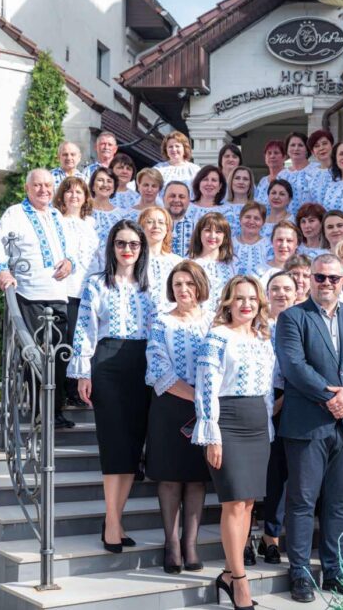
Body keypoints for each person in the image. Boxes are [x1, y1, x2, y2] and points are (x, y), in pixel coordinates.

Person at [274, 253, 343, 602]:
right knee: (302, 501)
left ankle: (335, 570)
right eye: (320, 277)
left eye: (333, 278)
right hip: (308, 425)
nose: (326, 284)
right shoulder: (293, 317)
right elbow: (293, 365)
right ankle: (301, 572)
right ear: (310, 279)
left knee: (340, 503)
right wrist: (329, 397)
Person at [69, 219, 154, 552]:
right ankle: (113, 524)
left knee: (133, 445)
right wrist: (83, 372)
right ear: (112, 247)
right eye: (121, 243)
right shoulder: (96, 283)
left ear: (141, 249)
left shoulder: (150, 285)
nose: (127, 250)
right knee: (113, 443)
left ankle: (114, 520)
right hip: (107, 363)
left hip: (141, 365)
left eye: (133, 244)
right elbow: (85, 329)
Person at [194, 275, 276, 610]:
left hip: (257, 422)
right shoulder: (217, 336)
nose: (246, 304)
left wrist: (268, 425)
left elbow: (268, 389)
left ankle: (229, 573)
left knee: (248, 503)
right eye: (240, 298)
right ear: (228, 302)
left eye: (252, 299)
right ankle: (240, 582)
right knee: (233, 503)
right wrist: (211, 434)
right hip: (227, 420)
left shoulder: (263, 338)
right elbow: (206, 387)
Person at [0, 168, 76, 429]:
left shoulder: (57, 215)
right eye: (37, 185)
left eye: (48, 185)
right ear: (28, 188)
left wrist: (70, 261)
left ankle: (54, 411)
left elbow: (70, 247)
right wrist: (3, 270)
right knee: (34, 355)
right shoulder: (15, 213)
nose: (43, 190)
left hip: (58, 295)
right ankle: (39, 412)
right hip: (29, 294)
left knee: (58, 356)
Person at [145, 260, 212, 573]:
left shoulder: (214, 321)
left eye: (189, 283)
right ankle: (171, 544)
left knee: (197, 478)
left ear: (200, 286)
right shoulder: (161, 321)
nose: (183, 289)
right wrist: (195, 396)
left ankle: (191, 544)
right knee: (170, 478)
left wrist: (205, 400)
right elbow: (158, 366)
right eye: (177, 284)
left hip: (206, 409)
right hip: (170, 406)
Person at [257, 270, 298, 565]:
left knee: (278, 473)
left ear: (296, 294)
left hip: (288, 401)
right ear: (267, 293)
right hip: (254, 400)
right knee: (250, 472)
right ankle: (244, 538)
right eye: (275, 288)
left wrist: (280, 403)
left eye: (287, 289)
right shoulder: (255, 324)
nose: (281, 294)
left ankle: (270, 536)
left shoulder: (300, 324)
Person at [54, 176, 100, 408]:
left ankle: (77, 391)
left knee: (81, 341)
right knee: (66, 342)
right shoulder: (56, 221)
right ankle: (62, 393)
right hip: (67, 289)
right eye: (69, 191)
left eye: (79, 192)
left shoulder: (90, 224)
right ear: (62, 196)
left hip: (87, 290)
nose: (74, 196)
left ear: (85, 198)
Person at [190, 212, 237, 312]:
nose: (212, 236)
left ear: (225, 236)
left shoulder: (234, 264)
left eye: (218, 232)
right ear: (199, 233)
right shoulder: (190, 264)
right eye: (207, 230)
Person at [139, 206, 182, 312]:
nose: (156, 226)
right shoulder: (133, 260)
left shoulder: (177, 262)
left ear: (167, 229)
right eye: (150, 222)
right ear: (141, 228)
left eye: (161, 222)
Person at [254, 221, 301, 289]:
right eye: (280, 240)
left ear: (297, 244)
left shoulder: (303, 273)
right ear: (272, 242)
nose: (284, 245)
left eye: (289, 240)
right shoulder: (258, 272)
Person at [89, 167, 127, 245]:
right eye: (100, 180)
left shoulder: (121, 215)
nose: (105, 184)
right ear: (92, 186)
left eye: (109, 181)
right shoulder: (83, 210)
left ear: (114, 188)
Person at [164, 181, 203, 258]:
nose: (176, 200)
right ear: (163, 198)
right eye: (172, 196)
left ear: (188, 201)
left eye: (181, 197)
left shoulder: (198, 228)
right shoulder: (153, 226)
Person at [278, 132, 312, 214]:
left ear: (307, 149)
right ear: (287, 149)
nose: (296, 148)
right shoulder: (281, 175)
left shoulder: (317, 170)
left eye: (300, 145)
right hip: (287, 220)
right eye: (292, 145)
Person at [233, 202, 270, 276]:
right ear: (240, 219)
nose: (251, 221)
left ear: (263, 222)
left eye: (256, 218)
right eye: (247, 217)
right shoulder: (229, 244)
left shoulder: (269, 245)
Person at [224, 166, 256, 237]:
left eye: (245, 179)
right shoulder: (222, 208)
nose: (241, 182)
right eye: (237, 178)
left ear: (250, 184)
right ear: (231, 182)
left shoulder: (256, 208)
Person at [305, 129, 335, 203]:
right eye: (316, 146)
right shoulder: (310, 174)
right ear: (313, 152)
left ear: (332, 146)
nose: (321, 148)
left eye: (324, 143)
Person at [255, 140, 287, 205]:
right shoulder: (263, 181)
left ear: (284, 157)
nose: (272, 156)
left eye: (276, 153)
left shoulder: (290, 178)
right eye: (269, 153)